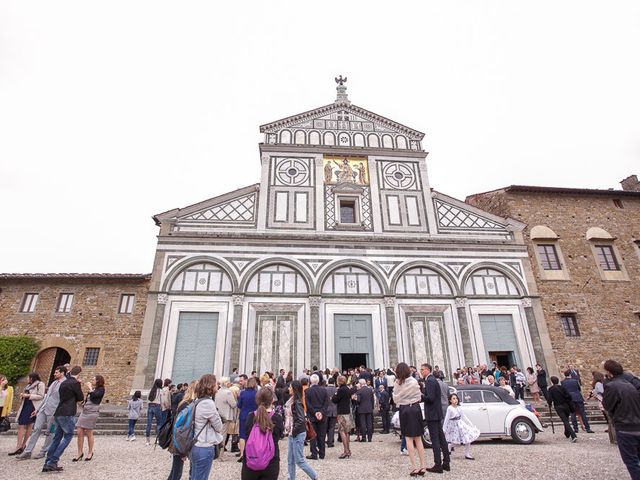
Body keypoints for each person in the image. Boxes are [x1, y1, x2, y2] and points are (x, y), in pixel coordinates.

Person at [17, 366, 67, 460]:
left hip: (53, 411)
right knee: (36, 429)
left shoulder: (65, 384)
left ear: (62, 373)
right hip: (43, 409)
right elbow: (46, 397)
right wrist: (37, 409)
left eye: (56, 372)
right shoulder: (54, 382)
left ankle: (44, 451)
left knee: (50, 432)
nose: (54, 374)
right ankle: (28, 451)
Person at [602, 359, 640, 480]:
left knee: (631, 462)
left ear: (609, 372)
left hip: (625, 427)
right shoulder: (631, 383)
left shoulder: (612, 386)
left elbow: (607, 405)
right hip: (637, 423)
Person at [43, 365, 84, 473]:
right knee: (68, 436)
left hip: (59, 412)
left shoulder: (63, 383)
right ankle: (53, 460)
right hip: (67, 413)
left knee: (57, 438)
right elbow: (80, 398)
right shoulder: (75, 383)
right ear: (79, 374)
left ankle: (47, 463)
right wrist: (79, 386)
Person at [241, 386, 284, 480]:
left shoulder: (250, 417)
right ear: (272, 400)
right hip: (271, 461)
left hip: (251, 459)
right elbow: (280, 435)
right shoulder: (277, 418)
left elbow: (246, 434)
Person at [393, 362, 427, 476]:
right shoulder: (413, 381)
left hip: (405, 409)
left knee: (408, 438)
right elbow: (419, 395)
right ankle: (423, 466)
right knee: (418, 438)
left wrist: (402, 398)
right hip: (415, 408)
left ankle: (414, 467)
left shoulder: (398, 383)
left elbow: (395, 399)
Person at [190, 374, 224, 480]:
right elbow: (219, 427)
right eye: (216, 384)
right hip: (204, 446)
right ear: (210, 386)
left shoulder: (198, 401)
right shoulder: (208, 403)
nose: (217, 386)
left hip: (196, 444)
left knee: (195, 475)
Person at [421, 363, 451, 473]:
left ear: (428, 370)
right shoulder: (433, 380)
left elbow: (431, 398)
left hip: (432, 413)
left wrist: (421, 396)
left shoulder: (429, 380)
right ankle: (446, 462)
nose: (421, 371)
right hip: (437, 413)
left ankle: (438, 464)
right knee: (441, 437)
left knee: (435, 439)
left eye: (422, 369)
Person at [285, 380, 317, 480]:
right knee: (290, 459)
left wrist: (293, 431)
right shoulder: (292, 401)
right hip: (292, 432)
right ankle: (291, 478)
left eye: (290, 387)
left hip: (297, 433)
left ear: (294, 389)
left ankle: (314, 476)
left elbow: (300, 419)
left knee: (299, 460)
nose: (288, 389)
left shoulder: (297, 402)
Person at [10, 371, 45, 456]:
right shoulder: (28, 385)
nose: (27, 379)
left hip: (32, 406)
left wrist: (29, 396)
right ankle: (19, 446)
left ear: (32, 378)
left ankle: (22, 445)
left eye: (28, 377)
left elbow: (41, 396)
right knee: (21, 424)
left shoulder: (40, 384)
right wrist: (23, 395)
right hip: (25, 405)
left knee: (29, 425)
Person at [168, 380, 197, 480]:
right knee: (177, 472)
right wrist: (182, 450)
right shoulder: (188, 404)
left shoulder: (185, 403)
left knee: (176, 471)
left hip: (181, 440)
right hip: (181, 441)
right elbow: (181, 426)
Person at [74, 374, 105, 461]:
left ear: (98, 381)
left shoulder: (101, 389)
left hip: (92, 413)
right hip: (85, 412)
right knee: (79, 431)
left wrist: (90, 388)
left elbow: (95, 397)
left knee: (89, 432)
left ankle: (90, 452)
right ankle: (79, 452)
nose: (92, 380)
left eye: (93, 379)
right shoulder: (93, 390)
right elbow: (88, 399)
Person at [443, 393, 480, 460]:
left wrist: (470, 424)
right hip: (454, 426)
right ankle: (450, 446)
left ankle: (467, 454)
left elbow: (464, 416)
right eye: (453, 399)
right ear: (450, 400)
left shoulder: (459, 407)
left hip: (461, 424)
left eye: (456, 398)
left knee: (467, 438)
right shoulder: (450, 408)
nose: (455, 400)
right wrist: (444, 429)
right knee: (457, 443)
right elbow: (446, 419)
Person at [305, 374, 329, 459]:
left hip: (312, 415)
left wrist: (315, 413)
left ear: (311, 381)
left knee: (313, 435)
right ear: (318, 381)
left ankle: (314, 454)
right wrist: (321, 412)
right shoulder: (324, 390)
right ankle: (322, 453)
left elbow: (308, 405)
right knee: (322, 435)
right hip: (322, 416)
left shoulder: (307, 391)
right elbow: (326, 403)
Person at [547, 375, 577, 442]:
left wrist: (549, 404)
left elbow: (549, 399)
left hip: (558, 406)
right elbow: (569, 396)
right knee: (566, 420)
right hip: (566, 406)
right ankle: (567, 433)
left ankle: (573, 435)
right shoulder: (562, 388)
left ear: (552, 382)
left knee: (565, 421)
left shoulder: (551, 389)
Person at [332, 375, 353, 459]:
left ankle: (346, 451)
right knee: (347, 432)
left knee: (342, 431)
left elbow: (335, 400)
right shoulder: (348, 389)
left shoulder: (340, 390)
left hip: (341, 412)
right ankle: (348, 450)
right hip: (347, 411)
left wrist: (334, 395)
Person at [238, 376, 258, 460]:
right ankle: (251, 453)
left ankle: (242, 454)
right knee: (253, 434)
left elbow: (239, 405)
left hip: (243, 415)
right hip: (254, 415)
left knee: (242, 435)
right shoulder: (257, 393)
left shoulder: (243, 393)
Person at [216, 377, 238, 454]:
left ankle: (218, 452)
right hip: (226, 415)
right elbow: (233, 404)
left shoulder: (218, 391)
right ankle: (220, 453)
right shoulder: (228, 392)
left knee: (219, 433)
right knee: (223, 435)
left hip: (219, 414)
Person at [354, 378, 374, 442]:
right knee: (369, 423)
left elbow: (358, 401)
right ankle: (370, 438)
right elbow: (372, 400)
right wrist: (372, 407)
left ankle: (364, 438)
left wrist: (354, 399)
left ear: (360, 383)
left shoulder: (359, 391)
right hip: (369, 408)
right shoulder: (370, 390)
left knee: (363, 424)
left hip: (361, 409)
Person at [146, 378, 164, 445]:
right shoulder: (161, 391)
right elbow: (162, 401)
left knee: (149, 424)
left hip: (150, 406)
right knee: (159, 424)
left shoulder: (150, 390)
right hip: (157, 406)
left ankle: (147, 441)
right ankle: (158, 440)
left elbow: (148, 399)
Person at [325, 377, 338, 447]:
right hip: (334, 410)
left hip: (326, 410)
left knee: (326, 426)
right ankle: (330, 441)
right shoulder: (336, 390)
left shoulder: (325, 389)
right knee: (332, 427)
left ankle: (328, 439)